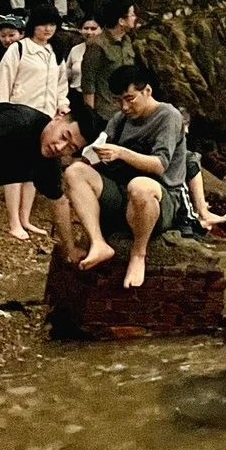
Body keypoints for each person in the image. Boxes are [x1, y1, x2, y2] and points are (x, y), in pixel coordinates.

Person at [0, 102, 95, 373]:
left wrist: (70, 249)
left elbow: (59, 202)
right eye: (64, 137)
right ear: (59, 117)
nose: (60, 148)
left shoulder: (48, 162)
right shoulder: (17, 122)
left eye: (71, 149)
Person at [63, 65, 190, 290]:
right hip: (122, 193)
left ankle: (138, 254)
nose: (124, 107)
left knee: (139, 186)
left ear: (147, 91)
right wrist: (91, 157)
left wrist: (122, 152)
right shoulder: (119, 119)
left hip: (160, 197)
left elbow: (160, 165)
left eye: (130, 99)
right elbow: (100, 148)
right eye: (119, 100)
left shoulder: (168, 116)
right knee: (74, 172)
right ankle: (99, 243)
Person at [0, 5, 64, 240]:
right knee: (14, 168)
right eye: (43, 24)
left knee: (33, 170)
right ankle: (13, 221)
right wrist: (3, 112)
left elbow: (60, 85)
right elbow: (2, 81)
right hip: (18, 115)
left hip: (45, 119)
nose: (48, 29)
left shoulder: (55, 52)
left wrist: (61, 106)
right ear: (33, 25)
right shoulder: (19, 49)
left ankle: (25, 218)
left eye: (52, 24)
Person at [82, 0, 139, 122]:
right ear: (121, 21)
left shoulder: (127, 41)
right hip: (104, 112)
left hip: (125, 111)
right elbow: (88, 81)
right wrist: (90, 116)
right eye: (132, 15)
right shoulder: (97, 44)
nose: (135, 18)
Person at [64, 16, 103, 108]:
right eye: (86, 28)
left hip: (99, 98)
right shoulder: (75, 50)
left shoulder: (105, 50)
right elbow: (66, 74)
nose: (89, 32)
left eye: (93, 29)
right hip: (76, 96)